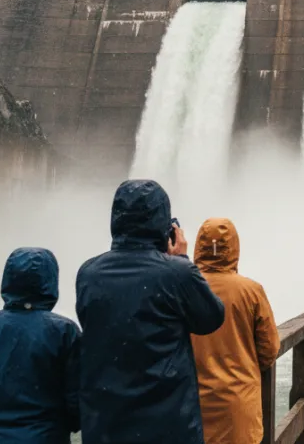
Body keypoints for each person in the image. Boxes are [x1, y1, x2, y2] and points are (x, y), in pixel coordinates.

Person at [76, 180, 226, 444]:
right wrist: (180, 259)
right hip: (167, 426)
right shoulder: (177, 273)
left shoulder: (89, 273)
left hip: (106, 425)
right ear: (164, 225)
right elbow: (211, 318)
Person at [0, 247, 80, 443]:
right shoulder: (64, 331)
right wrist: (59, 427)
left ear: (8, 278)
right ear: (50, 280)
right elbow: (78, 399)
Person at [191, 218, 280, 444]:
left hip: (194, 407)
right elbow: (269, 348)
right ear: (233, 248)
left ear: (199, 247)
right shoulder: (251, 291)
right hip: (238, 407)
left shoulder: (185, 289)